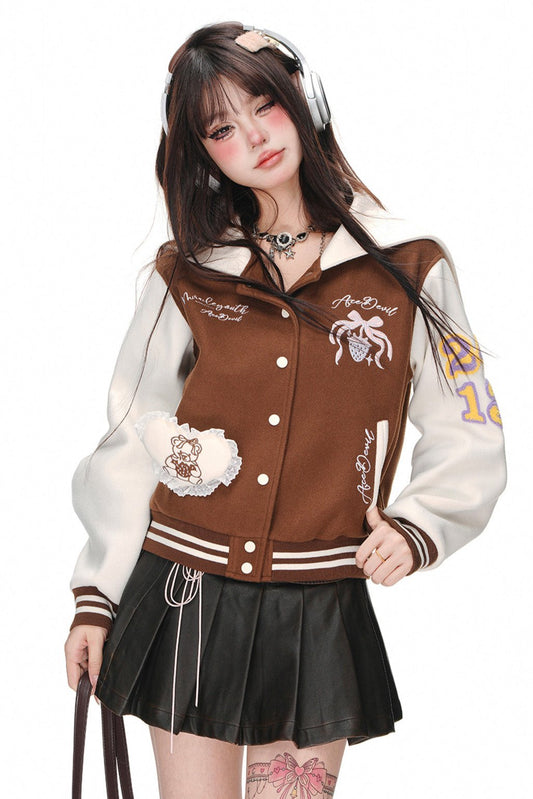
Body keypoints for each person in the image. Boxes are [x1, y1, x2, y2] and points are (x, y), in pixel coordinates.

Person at [64, 21, 506, 799]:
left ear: (303, 98)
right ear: (203, 154)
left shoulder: (409, 265)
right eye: (221, 128)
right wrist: (95, 599)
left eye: (263, 104)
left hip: (317, 601)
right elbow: (132, 434)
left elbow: (469, 423)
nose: (254, 137)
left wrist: (421, 523)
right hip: (185, 593)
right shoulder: (188, 274)